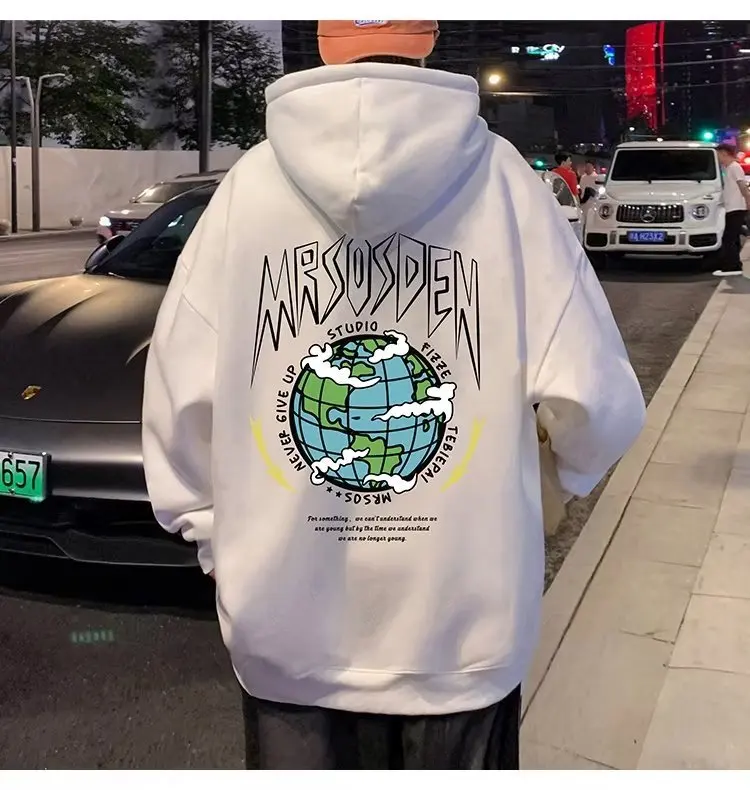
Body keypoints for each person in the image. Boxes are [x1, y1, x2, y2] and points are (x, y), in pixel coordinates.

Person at [142, 19, 646, 770]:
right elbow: (598, 400)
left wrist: (215, 535)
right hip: (463, 634)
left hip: (286, 630)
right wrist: (556, 481)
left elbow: (178, 398)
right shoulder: (503, 181)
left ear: (323, 41)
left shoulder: (248, 189)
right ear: (428, 36)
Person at [716, 143, 750, 272]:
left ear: (724, 153)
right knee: (733, 238)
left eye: (718, 155)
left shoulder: (735, 167)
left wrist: (748, 202)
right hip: (731, 207)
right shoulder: (728, 168)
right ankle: (735, 265)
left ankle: (730, 266)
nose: (718, 159)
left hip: (737, 208)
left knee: (728, 238)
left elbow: (743, 186)